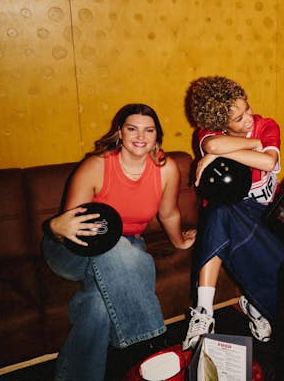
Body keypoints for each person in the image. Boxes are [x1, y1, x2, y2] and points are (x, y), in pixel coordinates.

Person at [42, 103, 196, 381]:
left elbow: (168, 212)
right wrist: (53, 228)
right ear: (120, 133)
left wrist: (179, 242)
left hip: (125, 247)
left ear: (156, 135)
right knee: (113, 246)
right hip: (71, 248)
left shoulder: (165, 169)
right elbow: (67, 226)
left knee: (98, 303)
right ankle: (150, 346)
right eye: (132, 128)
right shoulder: (97, 165)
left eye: (148, 130)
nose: (140, 136)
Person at [182, 76, 283, 350]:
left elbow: (268, 161)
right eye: (238, 119)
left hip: (263, 218)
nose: (249, 120)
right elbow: (212, 145)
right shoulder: (207, 134)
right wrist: (250, 145)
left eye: (247, 108)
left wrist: (223, 153)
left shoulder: (266, 125)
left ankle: (252, 304)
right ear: (219, 125)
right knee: (221, 210)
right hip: (227, 218)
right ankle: (204, 312)